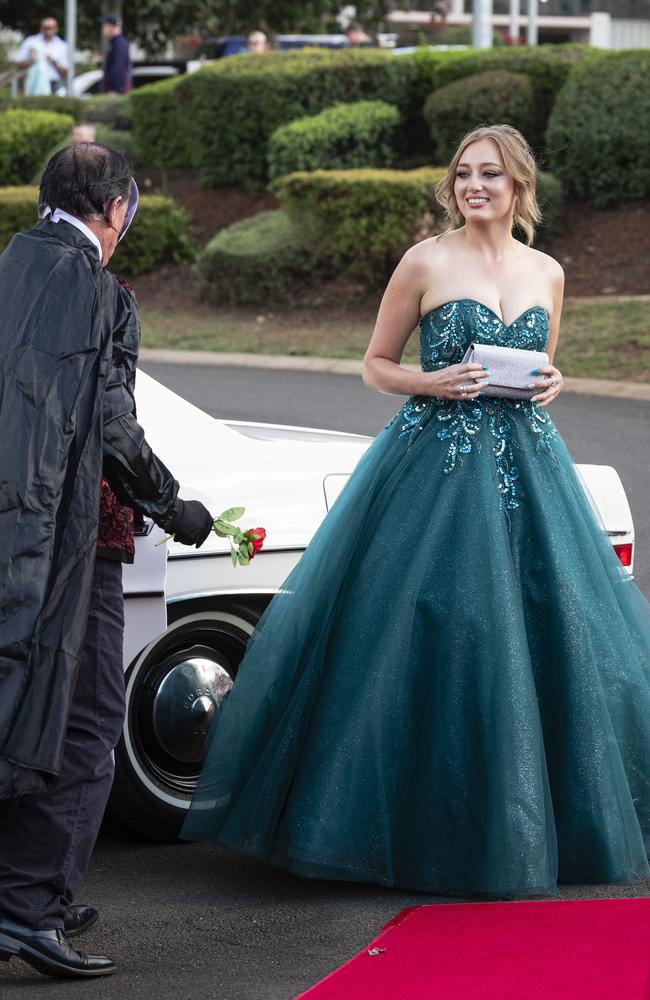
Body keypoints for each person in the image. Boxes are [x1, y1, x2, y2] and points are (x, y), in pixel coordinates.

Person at [182, 124, 650, 899]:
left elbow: (543, 363)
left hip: (531, 471)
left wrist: (553, 382)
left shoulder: (548, 272)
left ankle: (542, 824)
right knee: (431, 633)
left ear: (519, 186)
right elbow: (374, 365)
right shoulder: (426, 260)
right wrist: (430, 384)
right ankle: (412, 826)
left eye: (491, 175)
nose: (475, 186)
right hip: (434, 469)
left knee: (544, 637)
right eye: (464, 174)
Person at [0, 142, 214, 978]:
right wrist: (177, 507)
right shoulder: (103, 295)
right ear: (117, 209)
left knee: (19, 704)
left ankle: (25, 888)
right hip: (68, 541)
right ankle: (28, 911)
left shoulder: (9, 267)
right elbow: (116, 432)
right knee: (84, 721)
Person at [16, 17, 68, 94]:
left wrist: (53, 62)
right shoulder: (30, 42)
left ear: (56, 29)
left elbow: (65, 71)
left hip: (53, 84)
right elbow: (18, 64)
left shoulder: (62, 45)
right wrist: (32, 60)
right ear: (41, 28)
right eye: (46, 28)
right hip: (33, 82)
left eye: (51, 28)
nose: (48, 30)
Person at [100, 14, 131, 94]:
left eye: (105, 25)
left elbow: (118, 68)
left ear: (111, 26)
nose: (103, 28)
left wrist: (116, 90)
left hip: (117, 92)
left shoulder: (119, 44)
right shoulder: (115, 43)